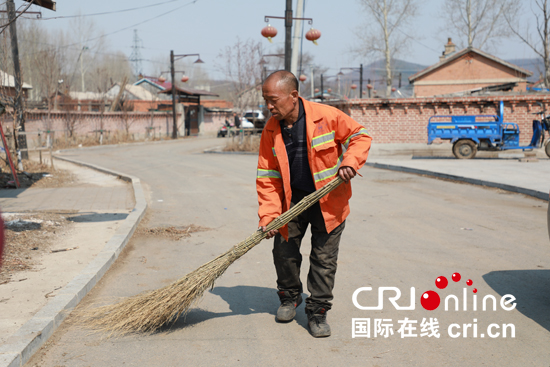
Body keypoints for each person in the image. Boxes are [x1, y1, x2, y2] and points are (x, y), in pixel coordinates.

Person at [256, 70, 372, 338]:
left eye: (273, 100)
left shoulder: (326, 116)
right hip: (291, 204)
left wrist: (350, 161)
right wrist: (269, 216)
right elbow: (267, 177)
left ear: (294, 96)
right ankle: (289, 297)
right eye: (265, 100)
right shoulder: (271, 130)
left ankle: (317, 312)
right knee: (283, 253)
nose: (269, 106)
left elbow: (360, 136)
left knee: (323, 260)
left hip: (328, 203)